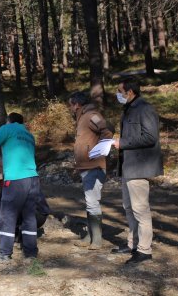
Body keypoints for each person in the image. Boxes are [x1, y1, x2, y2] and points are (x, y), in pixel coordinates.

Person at [112, 77, 163, 264]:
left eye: (120, 91)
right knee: (128, 208)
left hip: (139, 168)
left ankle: (144, 250)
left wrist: (122, 143)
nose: (117, 94)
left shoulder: (145, 109)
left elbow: (151, 137)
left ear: (130, 92)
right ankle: (133, 244)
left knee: (141, 210)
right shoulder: (128, 109)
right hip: (127, 167)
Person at [0, 112, 40, 261]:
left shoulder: (8, 129)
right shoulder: (29, 135)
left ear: (9, 121)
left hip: (16, 179)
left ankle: (4, 253)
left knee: (7, 216)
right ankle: (31, 253)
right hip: (33, 178)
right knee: (29, 217)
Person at [68, 92, 113, 250]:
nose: (70, 108)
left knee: (93, 202)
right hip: (86, 166)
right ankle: (90, 237)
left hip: (94, 166)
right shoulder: (83, 118)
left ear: (77, 104)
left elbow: (107, 131)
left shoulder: (91, 116)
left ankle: (97, 240)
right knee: (90, 202)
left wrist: (98, 152)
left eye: (71, 105)